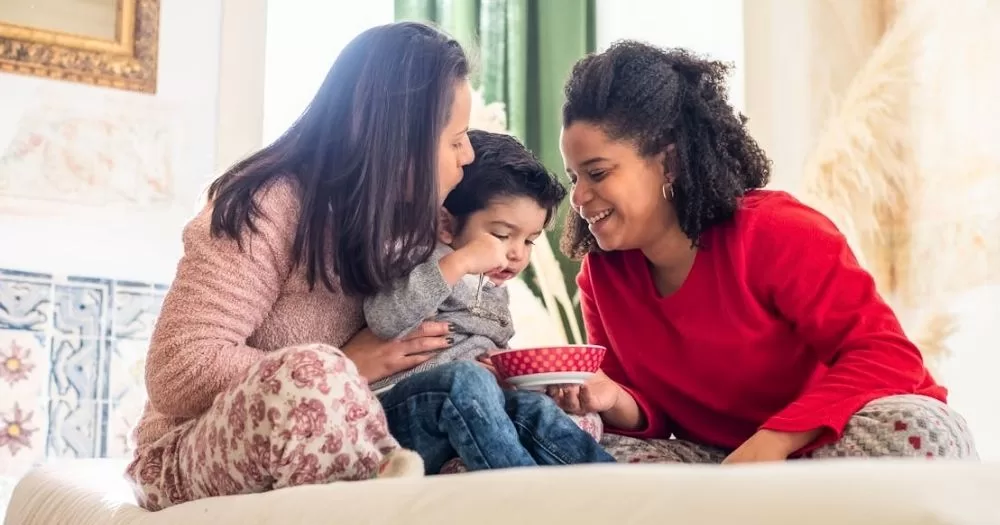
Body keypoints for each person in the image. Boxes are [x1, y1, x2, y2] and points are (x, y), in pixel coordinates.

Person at [548, 41, 978, 463]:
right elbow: (651, 418)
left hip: (828, 439)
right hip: (725, 460)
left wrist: (776, 441)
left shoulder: (777, 232)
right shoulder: (602, 275)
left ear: (669, 162)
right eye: (573, 178)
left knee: (924, 431)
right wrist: (611, 396)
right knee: (589, 448)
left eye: (598, 173)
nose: (580, 197)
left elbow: (887, 356)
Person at [125, 22, 477, 511]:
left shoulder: (419, 229)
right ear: (400, 140)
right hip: (189, 451)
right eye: (457, 139)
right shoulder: (266, 205)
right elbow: (180, 366)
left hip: (345, 442)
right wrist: (345, 370)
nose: (469, 155)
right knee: (314, 372)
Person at [365, 130, 615, 474]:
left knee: (535, 410)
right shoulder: (420, 257)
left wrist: (512, 370)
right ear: (445, 224)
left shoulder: (495, 287)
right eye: (501, 234)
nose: (515, 253)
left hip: (469, 409)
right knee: (467, 380)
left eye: (529, 241)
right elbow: (382, 318)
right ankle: (526, 499)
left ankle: (618, 491)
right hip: (399, 414)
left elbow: (489, 353)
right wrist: (459, 263)